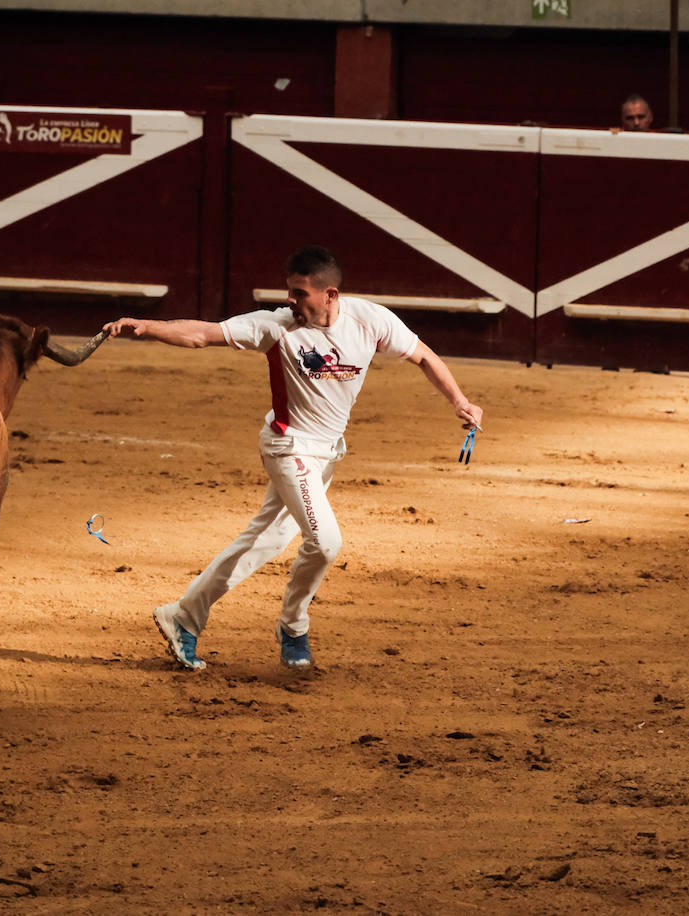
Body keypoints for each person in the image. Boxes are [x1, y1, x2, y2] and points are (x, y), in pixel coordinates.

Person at [102, 246, 484, 671]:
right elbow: (202, 334)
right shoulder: (276, 326)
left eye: (300, 293)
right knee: (326, 542)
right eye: (290, 291)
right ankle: (293, 626)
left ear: (330, 294)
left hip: (327, 453)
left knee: (264, 539)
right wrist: (147, 326)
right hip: (289, 447)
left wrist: (460, 401)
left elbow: (424, 355)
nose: (291, 300)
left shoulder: (370, 321)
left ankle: (184, 617)